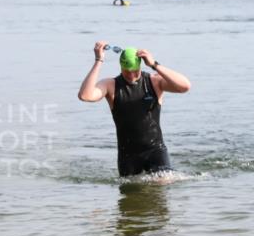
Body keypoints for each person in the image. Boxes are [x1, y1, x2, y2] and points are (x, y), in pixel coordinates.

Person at [77, 41, 192, 177]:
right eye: (127, 72)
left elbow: (185, 86)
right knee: (131, 193)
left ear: (140, 66)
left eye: (135, 71)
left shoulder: (154, 82)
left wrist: (154, 64)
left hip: (155, 150)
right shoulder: (111, 85)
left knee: (162, 183)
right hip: (128, 156)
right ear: (121, 67)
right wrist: (98, 60)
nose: (131, 76)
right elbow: (85, 95)